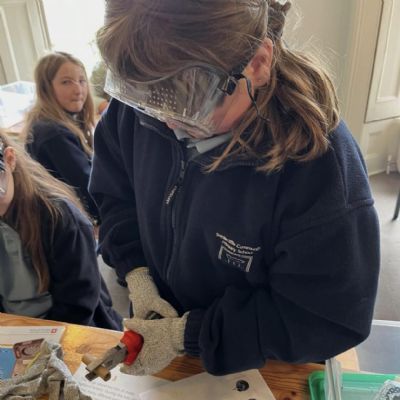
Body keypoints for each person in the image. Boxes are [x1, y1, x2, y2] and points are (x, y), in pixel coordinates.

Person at [89, 0, 380, 375]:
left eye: (189, 99)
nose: (167, 120)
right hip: (160, 334)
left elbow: (328, 317)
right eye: (147, 98)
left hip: (263, 363)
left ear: (257, 64)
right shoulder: (142, 105)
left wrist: (188, 335)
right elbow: (115, 195)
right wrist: (136, 273)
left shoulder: (321, 165)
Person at [0, 131, 122, 330]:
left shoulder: (59, 216)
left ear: (10, 160)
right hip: (12, 327)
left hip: (67, 328)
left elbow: (78, 304)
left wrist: (39, 339)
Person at [21, 52, 100, 225]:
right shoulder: (54, 134)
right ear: (46, 88)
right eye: (66, 82)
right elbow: (89, 186)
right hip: (64, 224)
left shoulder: (50, 122)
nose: (78, 90)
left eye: (81, 81)